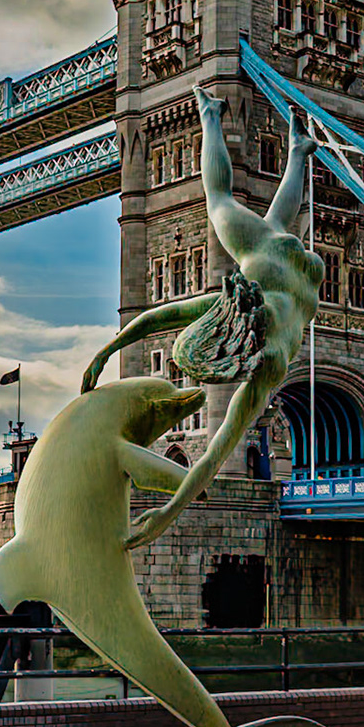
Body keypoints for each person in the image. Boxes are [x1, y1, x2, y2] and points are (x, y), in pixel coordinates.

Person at [81, 86, 322, 549]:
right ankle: (220, 118)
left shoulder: (269, 363)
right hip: (276, 258)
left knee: (248, 213)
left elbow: (214, 454)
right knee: (224, 203)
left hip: (305, 277)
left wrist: (168, 514)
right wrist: (104, 353)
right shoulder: (238, 304)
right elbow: (160, 317)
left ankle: (284, 148)